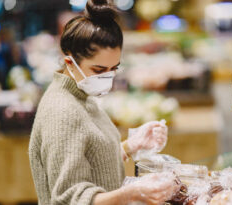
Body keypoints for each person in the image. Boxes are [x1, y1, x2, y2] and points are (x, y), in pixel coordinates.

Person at [28, 0, 178, 204]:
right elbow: (69, 198)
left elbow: (88, 159)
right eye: (99, 70)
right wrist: (132, 192)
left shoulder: (82, 95)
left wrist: (130, 146)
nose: (108, 77)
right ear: (70, 62)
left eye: (114, 68)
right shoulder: (62, 111)